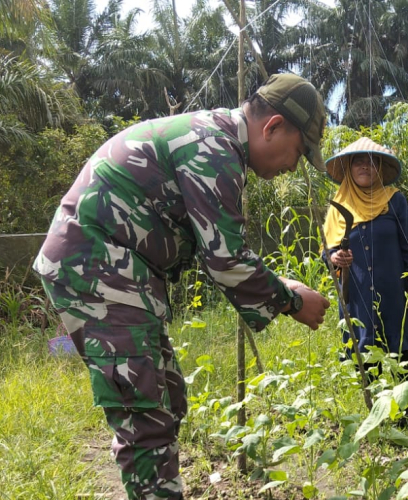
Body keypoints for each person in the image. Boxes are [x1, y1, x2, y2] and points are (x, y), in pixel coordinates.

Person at [34, 73, 331, 500]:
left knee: (168, 395)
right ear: (273, 127)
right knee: (144, 412)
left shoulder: (217, 140)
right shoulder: (213, 149)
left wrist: (278, 286)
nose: (293, 165)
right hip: (96, 264)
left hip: (120, 269)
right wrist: (290, 300)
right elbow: (225, 259)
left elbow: (221, 248)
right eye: (299, 152)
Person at [322, 137, 408, 415]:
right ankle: (378, 418)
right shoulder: (337, 208)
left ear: (380, 168)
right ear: (348, 169)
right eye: (358, 162)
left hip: (393, 289)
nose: (366, 166)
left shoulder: (395, 201)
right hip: (357, 292)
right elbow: (327, 251)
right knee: (366, 354)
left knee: (400, 351)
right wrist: (335, 258)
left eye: (372, 162)